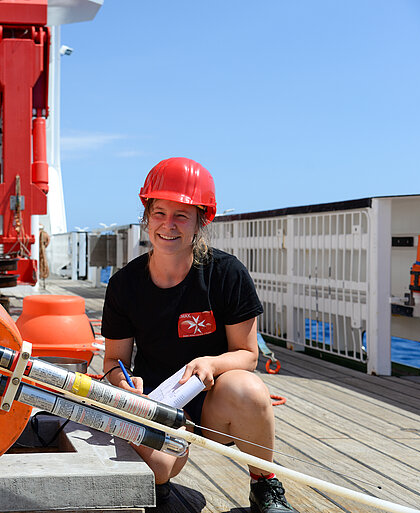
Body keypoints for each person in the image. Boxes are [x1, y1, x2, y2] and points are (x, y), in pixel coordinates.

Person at [101, 157, 298, 513]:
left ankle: (265, 485)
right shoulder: (123, 284)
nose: (168, 225)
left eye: (181, 215)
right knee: (160, 466)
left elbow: (248, 355)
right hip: (158, 405)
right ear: (147, 216)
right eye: (159, 213)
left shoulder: (226, 274)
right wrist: (123, 382)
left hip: (212, 406)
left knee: (249, 388)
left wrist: (209, 362)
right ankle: (160, 492)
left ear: (200, 220)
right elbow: (113, 361)